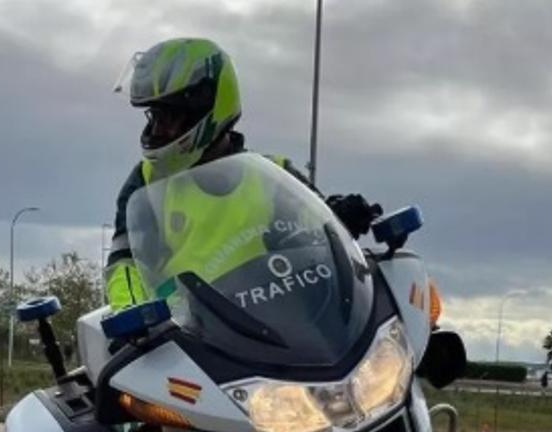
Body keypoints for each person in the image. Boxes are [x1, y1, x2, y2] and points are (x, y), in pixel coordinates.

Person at [105, 37, 381, 310]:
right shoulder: (147, 181)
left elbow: (316, 224)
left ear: (204, 109)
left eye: (168, 118)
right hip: (187, 336)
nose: (157, 132)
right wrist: (131, 315)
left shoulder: (274, 174)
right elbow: (125, 264)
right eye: (154, 118)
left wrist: (340, 216)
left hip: (277, 324)